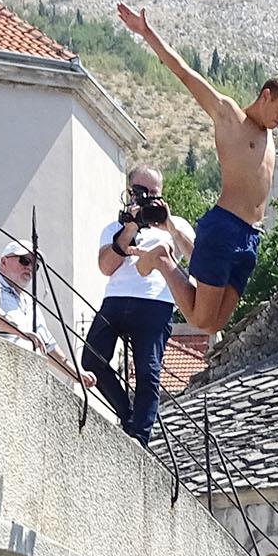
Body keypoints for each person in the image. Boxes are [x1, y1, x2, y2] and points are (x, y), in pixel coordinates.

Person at [113, 3, 278, 333]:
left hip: (250, 236)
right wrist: (146, 33)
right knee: (199, 318)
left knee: (214, 325)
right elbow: (186, 73)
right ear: (266, 95)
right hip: (224, 227)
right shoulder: (229, 116)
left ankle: (165, 261)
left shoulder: (269, 137)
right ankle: (162, 259)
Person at [83, 164, 192, 442]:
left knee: (148, 369)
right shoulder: (114, 227)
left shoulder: (174, 226)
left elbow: (198, 259)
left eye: (153, 193)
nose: (147, 200)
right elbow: (106, 267)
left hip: (154, 302)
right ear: (130, 193)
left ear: (162, 194)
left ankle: (139, 436)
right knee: (91, 359)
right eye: (141, 192)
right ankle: (127, 414)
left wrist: (168, 225)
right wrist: (130, 227)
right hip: (116, 299)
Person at [0, 243, 89, 384]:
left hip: (19, 377)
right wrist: (20, 331)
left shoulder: (29, 301)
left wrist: (77, 374)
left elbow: (47, 345)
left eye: (35, 265)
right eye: (24, 260)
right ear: (4, 262)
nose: (29, 267)